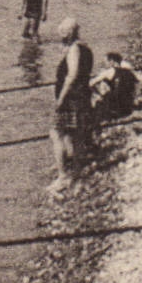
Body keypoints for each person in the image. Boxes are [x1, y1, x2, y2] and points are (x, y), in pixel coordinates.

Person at [50, 18, 95, 192]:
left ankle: (63, 176)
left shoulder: (74, 49)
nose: (60, 37)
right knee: (75, 135)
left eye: (62, 33)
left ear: (69, 33)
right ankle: (76, 172)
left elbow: (72, 76)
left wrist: (60, 99)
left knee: (57, 133)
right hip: (82, 96)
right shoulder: (86, 48)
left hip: (71, 98)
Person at [91, 52, 140, 122]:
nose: (104, 64)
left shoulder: (109, 72)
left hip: (114, 108)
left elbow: (90, 83)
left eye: (106, 62)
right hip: (128, 108)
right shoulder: (130, 72)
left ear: (112, 61)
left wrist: (98, 94)